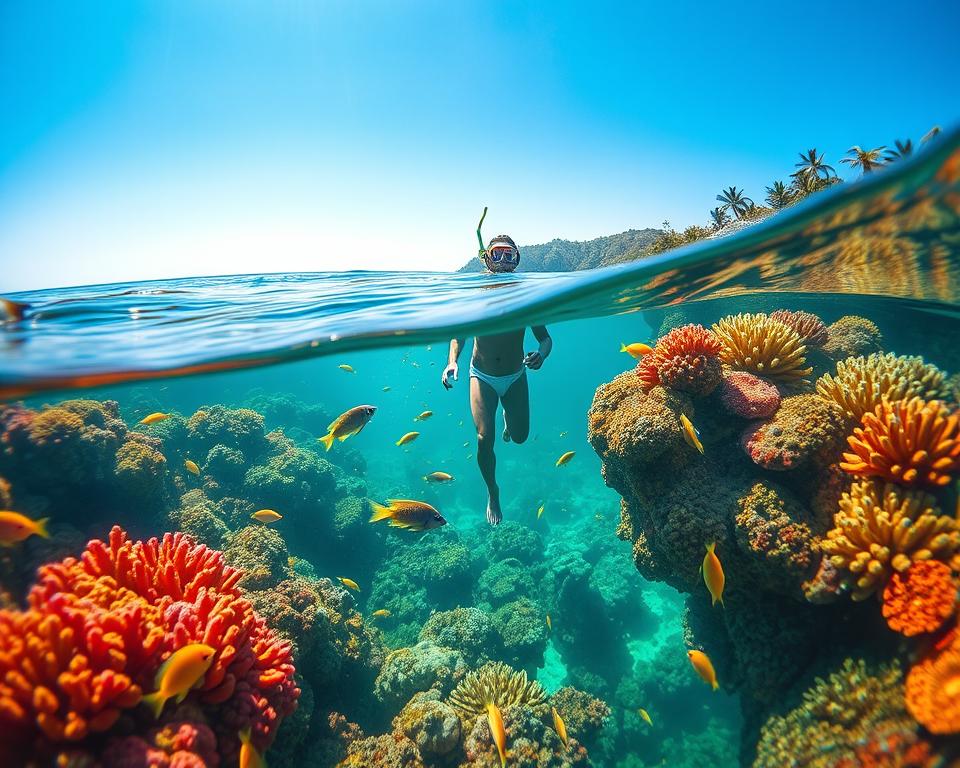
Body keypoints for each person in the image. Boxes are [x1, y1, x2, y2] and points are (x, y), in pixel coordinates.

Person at [441, 223, 552, 525]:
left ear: (516, 260)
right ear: (487, 259)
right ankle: (493, 491)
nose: (502, 260)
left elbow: (545, 338)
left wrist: (541, 354)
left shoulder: (526, 299)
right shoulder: (474, 295)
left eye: (508, 254)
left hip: (516, 375)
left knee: (519, 438)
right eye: (496, 254)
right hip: (482, 376)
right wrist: (452, 362)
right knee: (482, 439)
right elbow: (458, 334)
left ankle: (507, 421)